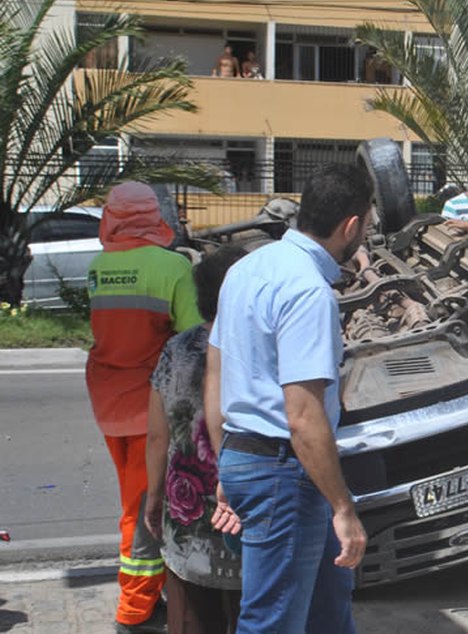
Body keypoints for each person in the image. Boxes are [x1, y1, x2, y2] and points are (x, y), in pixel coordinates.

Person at [205, 164, 371, 634]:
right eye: (367, 223)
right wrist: (343, 508)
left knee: (328, 610)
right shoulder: (308, 291)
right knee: (271, 622)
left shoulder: (246, 268)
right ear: (351, 226)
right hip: (285, 474)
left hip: (254, 459)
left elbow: (216, 374)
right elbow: (302, 415)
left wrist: (227, 461)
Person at [86, 182, 205, 633]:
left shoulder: (98, 267)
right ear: (152, 216)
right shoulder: (172, 266)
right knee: (143, 508)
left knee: (131, 497)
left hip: (108, 400)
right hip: (148, 405)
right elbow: (192, 338)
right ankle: (134, 611)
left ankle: (146, 594)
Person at [145, 246, 247, 634]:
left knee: (192, 618)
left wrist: (154, 497)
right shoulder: (259, 350)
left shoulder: (177, 350)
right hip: (244, 510)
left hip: (187, 514)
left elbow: (158, 435)